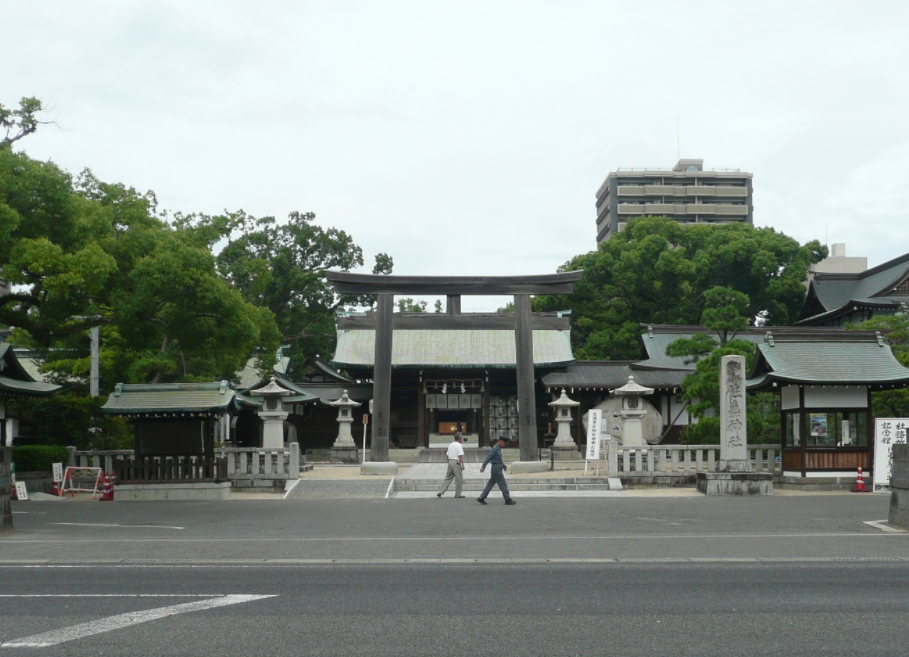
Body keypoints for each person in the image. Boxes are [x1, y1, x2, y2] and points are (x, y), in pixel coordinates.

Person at [477, 435, 516, 505]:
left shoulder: (498, 448)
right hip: (496, 468)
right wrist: (483, 466)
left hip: (497, 467)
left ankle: (481, 497)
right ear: (500, 441)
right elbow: (489, 457)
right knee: (502, 484)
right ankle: (507, 499)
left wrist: (503, 466)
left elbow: (499, 460)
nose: (505, 445)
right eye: (504, 443)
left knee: (491, 483)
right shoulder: (495, 448)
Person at [437, 432, 466, 498]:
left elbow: (447, 455)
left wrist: (448, 462)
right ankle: (458, 494)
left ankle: (440, 491)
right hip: (456, 462)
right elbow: (460, 455)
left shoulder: (450, 445)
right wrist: (462, 464)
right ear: (459, 438)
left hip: (450, 461)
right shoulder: (459, 445)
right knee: (459, 479)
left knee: (448, 477)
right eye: (461, 438)